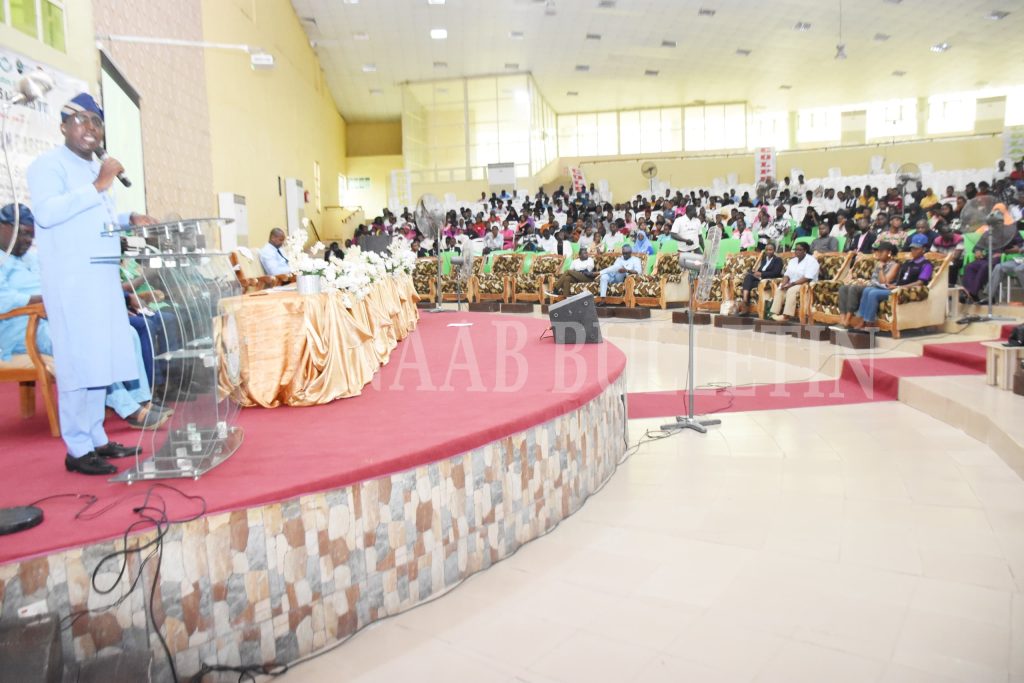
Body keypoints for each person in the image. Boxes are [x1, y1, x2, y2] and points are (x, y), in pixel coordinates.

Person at [26, 93, 161, 475]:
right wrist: (101, 184)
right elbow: (49, 214)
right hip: (72, 284)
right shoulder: (47, 165)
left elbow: (93, 218)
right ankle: (77, 448)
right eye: (81, 120)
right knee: (77, 365)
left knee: (99, 362)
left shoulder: (94, 171)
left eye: (96, 122)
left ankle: (96, 437)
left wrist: (127, 215)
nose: (90, 128)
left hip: (102, 279)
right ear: (64, 126)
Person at [851, 234, 933, 329]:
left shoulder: (926, 265)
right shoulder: (908, 263)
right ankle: (861, 320)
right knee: (867, 290)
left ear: (924, 249)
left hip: (905, 291)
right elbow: (899, 279)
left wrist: (899, 287)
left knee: (873, 293)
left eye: (916, 248)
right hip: (895, 288)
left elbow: (920, 283)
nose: (913, 251)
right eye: (912, 248)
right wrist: (892, 285)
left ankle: (869, 323)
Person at [834, 242, 899, 329]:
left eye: (881, 251)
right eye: (878, 251)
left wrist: (880, 268)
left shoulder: (895, 265)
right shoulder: (879, 263)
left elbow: (884, 282)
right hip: (872, 286)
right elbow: (873, 280)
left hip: (882, 289)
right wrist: (866, 282)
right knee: (843, 288)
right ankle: (843, 319)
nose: (878, 253)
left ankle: (848, 319)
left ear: (889, 253)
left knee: (854, 289)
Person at [769, 242, 819, 322]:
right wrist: (784, 283)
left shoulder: (811, 261)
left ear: (805, 251)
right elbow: (787, 275)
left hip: (805, 284)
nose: (797, 252)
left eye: (799, 250)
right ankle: (774, 313)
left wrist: (791, 284)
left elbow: (807, 278)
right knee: (780, 289)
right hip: (792, 283)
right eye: (796, 249)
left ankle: (786, 316)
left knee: (791, 290)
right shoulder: (792, 261)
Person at [736, 241, 783, 316]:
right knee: (748, 277)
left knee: (747, 284)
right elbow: (760, 271)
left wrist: (761, 274)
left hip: (768, 281)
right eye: (767, 250)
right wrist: (754, 272)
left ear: (774, 250)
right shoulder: (764, 260)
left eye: (770, 250)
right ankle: (745, 301)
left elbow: (776, 273)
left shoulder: (778, 260)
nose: (768, 251)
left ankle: (745, 304)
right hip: (760, 280)